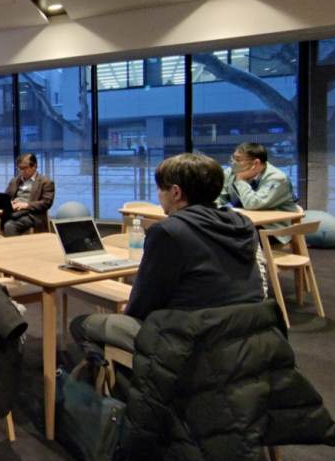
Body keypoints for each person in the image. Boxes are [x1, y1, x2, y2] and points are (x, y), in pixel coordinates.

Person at [70, 152, 265, 364]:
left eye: (160, 189)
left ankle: (124, 378)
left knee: (82, 325)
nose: (158, 195)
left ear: (176, 192)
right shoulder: (242, 224)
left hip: (189, 340)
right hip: (246, 333)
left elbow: (144, 302)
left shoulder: (169, 231)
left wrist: (129, 314)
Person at [216, 141, 299, 241]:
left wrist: (240, 180)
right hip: (245, 222)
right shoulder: (230, 173)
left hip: (274, 228)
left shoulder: (277, 179)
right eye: (233, 158)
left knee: (229, 237)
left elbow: (253, 204)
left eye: (238, 160)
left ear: (256, 163)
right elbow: (219, 196)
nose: (233, 163)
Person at [2, 153, 55, 236]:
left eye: (25, 168)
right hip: (13, 211)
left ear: (35, 166)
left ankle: (13, 245)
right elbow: (6, 196)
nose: (22, 171)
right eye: (20, 168)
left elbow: (46, 202)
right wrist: (9, 203)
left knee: (10, 226)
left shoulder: (46, 182)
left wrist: (26, 205)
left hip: (32, 214)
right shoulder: (15, 181)